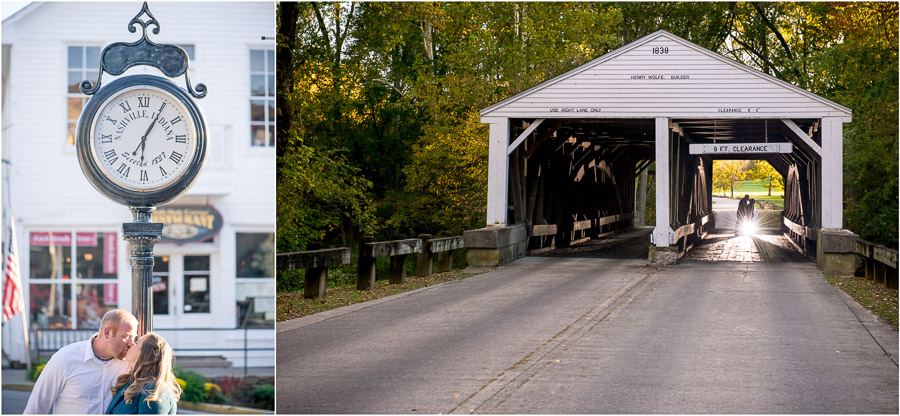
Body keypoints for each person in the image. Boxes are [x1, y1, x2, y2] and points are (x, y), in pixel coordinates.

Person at [25, 309, 138, 414]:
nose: (131, 343)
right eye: (126, 336)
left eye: (134, 338)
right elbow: (36, 408)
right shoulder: (65, 359)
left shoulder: (129, 363)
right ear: (107, 333)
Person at [106, 332, 181, 414]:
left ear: (145, 353)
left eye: (136, 343)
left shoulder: (154, 391)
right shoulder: (129, 382)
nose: (131, 344)